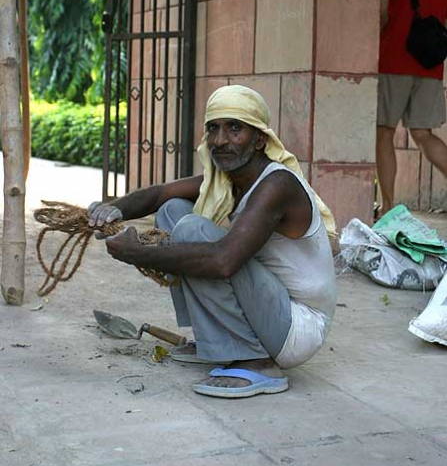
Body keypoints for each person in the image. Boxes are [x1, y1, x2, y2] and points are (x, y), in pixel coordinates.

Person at [88, 85, 337, 398]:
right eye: (213, 128)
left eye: (235, 128)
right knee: (173, 211)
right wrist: (114, 209)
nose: (220, 140)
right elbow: (160, 193)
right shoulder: (226, 182)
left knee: (195, 231)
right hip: (273, 307)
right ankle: (215, 343)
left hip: (298, 327)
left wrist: (139, 253)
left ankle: (256, 362)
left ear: (260, 139)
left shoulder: (277, 184)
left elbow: (223, 261)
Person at [377, 0, 447, 217]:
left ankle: (389, 206)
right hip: (431, 63)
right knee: (422, 133)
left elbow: (381, 13)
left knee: (383, 132)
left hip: (394, 58)